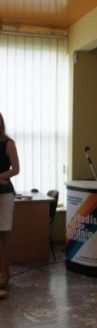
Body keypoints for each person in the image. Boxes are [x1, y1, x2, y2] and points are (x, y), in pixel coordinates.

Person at [0, 112, 20, 300]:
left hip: (4, 195)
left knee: (3, 234)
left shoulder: (8, 143)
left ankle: (4, 274)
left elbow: (15, 169)